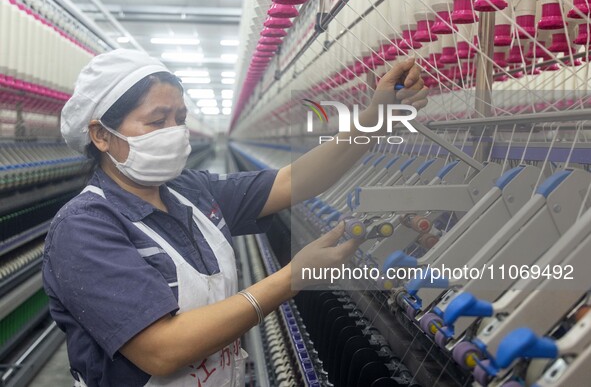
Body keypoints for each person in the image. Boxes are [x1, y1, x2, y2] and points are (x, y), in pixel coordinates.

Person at [42, 49, 427, 387]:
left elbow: (295, 180)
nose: (174, 132)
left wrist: (376, 117)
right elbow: (162, 350)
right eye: (157, 121)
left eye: (179, 118)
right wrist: (292, 277)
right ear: (101, 135)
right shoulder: (83, 228)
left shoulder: (190, 191)